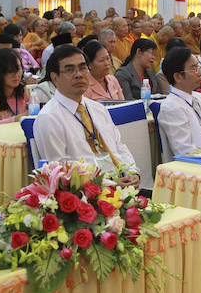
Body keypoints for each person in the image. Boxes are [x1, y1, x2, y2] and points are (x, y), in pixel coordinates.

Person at [34, 45, 139, 188]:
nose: (79, 74)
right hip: (88, 193)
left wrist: (132, 172)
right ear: (55, 78)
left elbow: (118, 146)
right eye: (70, 70)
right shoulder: (49, 118)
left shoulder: (97, 108)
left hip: (121, 183)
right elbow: (60, 172)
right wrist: (108, 184)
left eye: (83, 68)